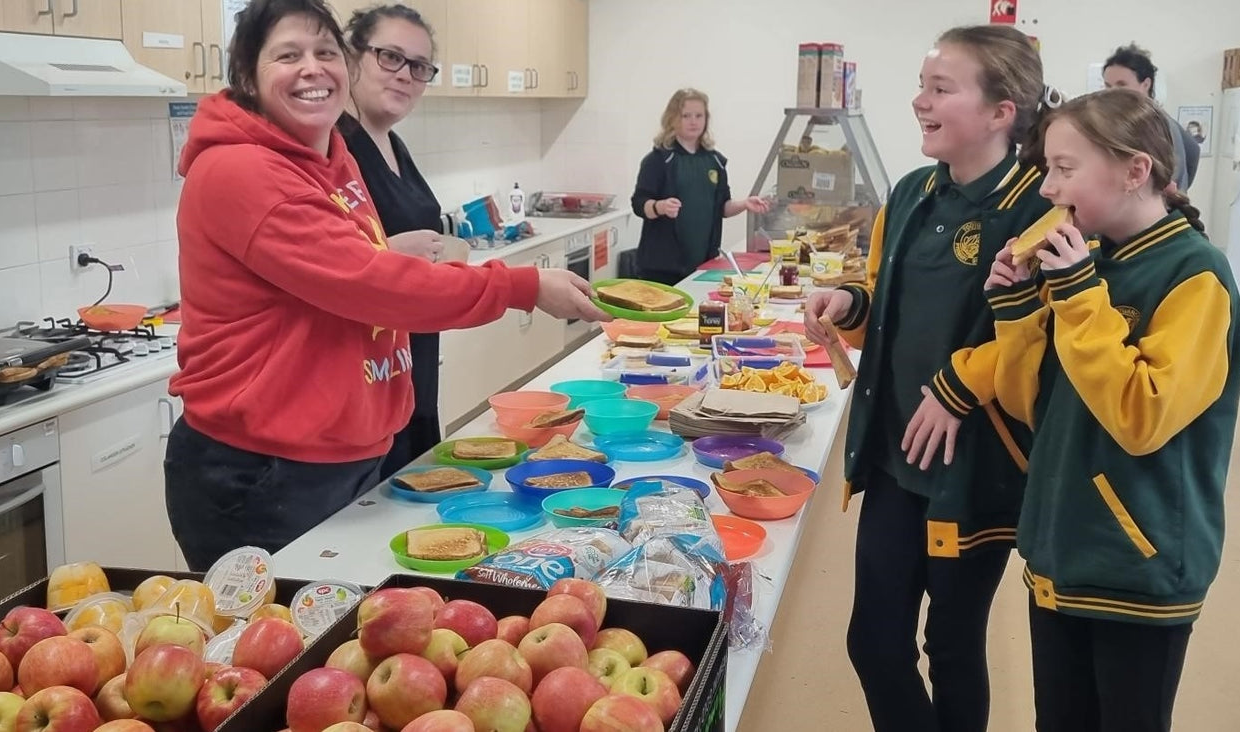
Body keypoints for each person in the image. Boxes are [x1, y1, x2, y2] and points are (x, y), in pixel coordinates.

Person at [164, 0, 606, 571]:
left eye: (325, 52)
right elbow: (374, 283)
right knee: (283, 647)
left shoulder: (331, 156)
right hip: (261, 472)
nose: (312, 68)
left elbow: (365, 276)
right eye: (287, 55)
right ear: (248, 76)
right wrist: (518, 285)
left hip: (336, 454)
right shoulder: (242, 170)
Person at [803, 25, 1055, 732]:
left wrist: (956, 387)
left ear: (1001, 111)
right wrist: (848, 303)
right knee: (873, 642)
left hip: (977, 469)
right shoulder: (913, 192)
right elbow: (883, 302)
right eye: (922, 85)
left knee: (949, 644)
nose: (918, 101)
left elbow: (1037, 341)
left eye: (940, 89)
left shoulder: (1037, 209)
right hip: (893, 456)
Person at [985, 88, 1240, 732]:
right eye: (1048, 168)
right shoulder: (1090, 264)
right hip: (1062, 550)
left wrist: (1077, 297)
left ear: (1135, 171)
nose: (1047, 189)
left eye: (1065, 169)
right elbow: (1030, 408)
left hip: (1139, 564)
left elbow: (1140, 417)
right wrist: (1019, 313)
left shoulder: (1195, 275)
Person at [338, 3, 455, 480]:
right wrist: (388, 255)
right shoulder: (337, 146)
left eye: (419, 66)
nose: (406, 75)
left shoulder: (390, 140)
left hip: (412, 357)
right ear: (352, 58)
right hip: (364, 375)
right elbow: (327, 265)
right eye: (390, 57)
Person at [630, 88, 769, 286]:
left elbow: (722, 207)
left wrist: (745, 204)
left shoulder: (714, 160)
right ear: (672, 118)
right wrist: (659, 207)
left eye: (699, 115)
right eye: (686, 116)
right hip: (662, 267)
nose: (693, 121)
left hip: (703, 263)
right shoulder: (659, 159)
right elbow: (638, 203)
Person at [1102, 44, 1200, 191]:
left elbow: (1188, 156)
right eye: (1108, 86)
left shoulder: (1156, 124)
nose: (1112, 93)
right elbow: (1193, 149)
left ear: (1146, 84)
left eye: (1121, 85)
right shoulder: (1121, 120)